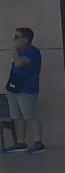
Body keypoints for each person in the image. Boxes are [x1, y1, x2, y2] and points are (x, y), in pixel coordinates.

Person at [4, 26, 43, 154]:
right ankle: (21, 142)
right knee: (17, 116)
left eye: (16, 37)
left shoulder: (33, 52)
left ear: (25, 39)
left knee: (30, 116)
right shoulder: (19, 52)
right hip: (15, 87)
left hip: (27, 89)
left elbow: (20, 63)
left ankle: (38, 142)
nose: (14, 39)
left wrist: (15, 50)